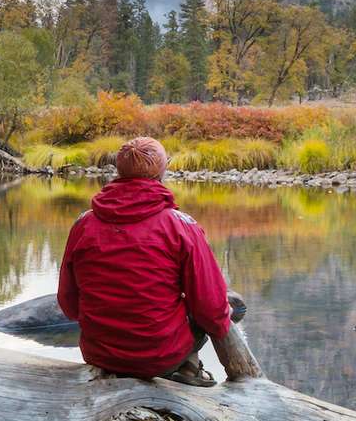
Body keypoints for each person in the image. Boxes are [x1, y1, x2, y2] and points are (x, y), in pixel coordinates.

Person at [57, 136, 232, 386]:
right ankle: (189, 366)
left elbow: (69, 305)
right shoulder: (181, 226)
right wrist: (225, 316)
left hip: (99, 355)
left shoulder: (84, 224)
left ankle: (181, 367)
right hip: (161, 357)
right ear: (163, 170)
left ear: (118, 170)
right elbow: (211, 309)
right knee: (214, 305)